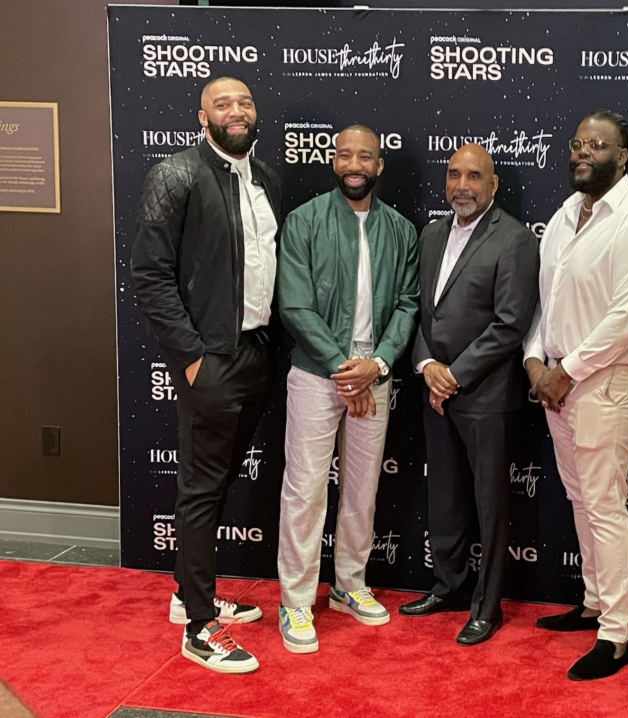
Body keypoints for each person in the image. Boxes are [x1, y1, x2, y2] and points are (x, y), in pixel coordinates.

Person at [131, 77, 281, 673]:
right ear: (201, 116)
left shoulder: (266, 176)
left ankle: (185, 592)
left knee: (214, 486)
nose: (237, 111)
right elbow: (149, 274)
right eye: (224, 103)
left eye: (245, 102)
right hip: (209, 361)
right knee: (199, 490)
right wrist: (193, 355)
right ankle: (198, 627)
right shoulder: (175, 175)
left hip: (257, 354)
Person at [524, 109, 628, 680]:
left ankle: (617, 634)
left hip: (607, 382)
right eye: (578, 143)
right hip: (559, 381)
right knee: (582, 498)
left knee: (605, 504)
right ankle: (593, 603)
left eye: (599, 145)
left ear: (624, 155)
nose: (585, 152)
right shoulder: (565, 215)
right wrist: (536, 358)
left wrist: (568, 370)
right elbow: (548, 301)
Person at [275, 124, 419, 654]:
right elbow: (294, 304)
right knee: (306, 488)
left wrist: (375, 365)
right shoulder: (304, 221)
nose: (354, 163)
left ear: (380, 165)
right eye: (344, 155)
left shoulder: (400, 230)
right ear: (333, 162)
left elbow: (407, 305)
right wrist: (344, 367)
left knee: (361, 490)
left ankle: (349, 585)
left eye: (365, 155)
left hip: (374, 375)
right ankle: (295, 598)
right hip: (318, 375)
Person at [398, 144, 539, 646]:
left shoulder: (516, 240)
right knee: (447, 498)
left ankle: (487, 604)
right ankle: (450, 586)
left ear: (493, 184)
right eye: (454, 174)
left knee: (489, 504)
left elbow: (510, 324)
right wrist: (426, 365)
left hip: (485, 395)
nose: (463, 185)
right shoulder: (431, 234)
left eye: (474, 176)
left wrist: (453, 374)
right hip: (435, 389)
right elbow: (417, 310)